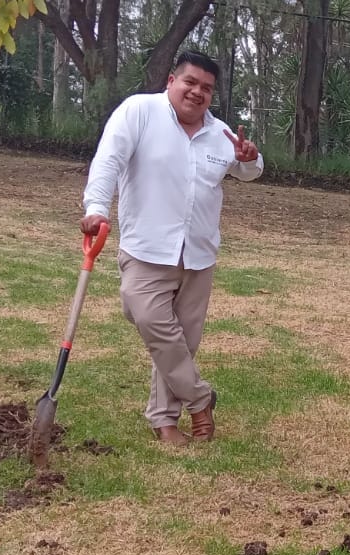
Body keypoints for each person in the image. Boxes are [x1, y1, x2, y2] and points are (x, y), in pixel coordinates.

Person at [80, 51, 264, 445]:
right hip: (146, 249)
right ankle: (201, 399)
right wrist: (96, 208)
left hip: (198, 256)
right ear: (171, 80)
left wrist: (249, 159)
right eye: (190, 82)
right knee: (148, 318)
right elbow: (108, 161)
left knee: (179, 343)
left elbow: (249, 169)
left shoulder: (220, 134)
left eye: (207, 88)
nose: (197, 92)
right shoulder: (139, 112)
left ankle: (165, 422)